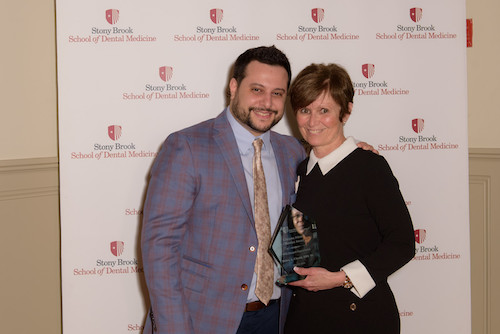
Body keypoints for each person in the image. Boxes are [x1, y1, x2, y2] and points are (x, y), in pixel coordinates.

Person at [141, 46, 375, 334]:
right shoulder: (187, 147)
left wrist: (356, 154)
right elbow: (160, 247)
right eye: (257, 89)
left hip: (275, 318)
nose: (267, 102)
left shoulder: (293, 152)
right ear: (234, 87)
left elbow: (323, 189)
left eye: (277, 93)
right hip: (202, 320)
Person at [284, 63, 415, 334]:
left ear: (346, 111)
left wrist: (340, 278)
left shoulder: (369, 167)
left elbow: (402, 244)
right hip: (306, 317)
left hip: (359, 317)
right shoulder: (299, 169)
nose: (312, 121)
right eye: (305, 110)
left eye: (324, 111)